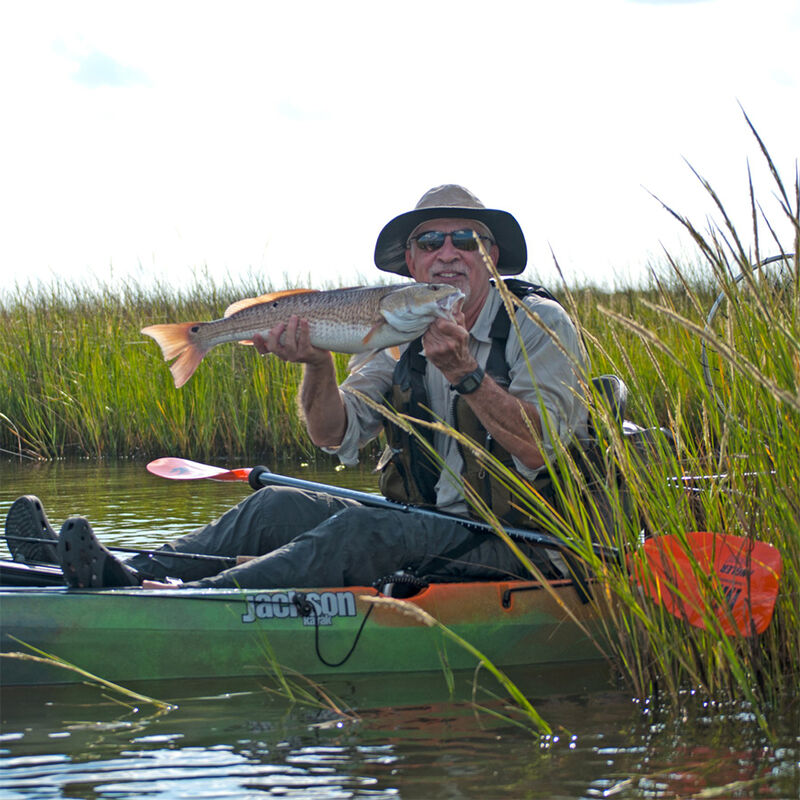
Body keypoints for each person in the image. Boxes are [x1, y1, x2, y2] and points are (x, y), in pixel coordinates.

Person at [5, 185, 589, 590]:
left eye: (465, 239)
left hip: (517, 541)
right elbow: (336, 436)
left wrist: (466, 374)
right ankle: (72, 567)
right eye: (431, 242)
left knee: (363, 527)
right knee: (275, 505)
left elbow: (540, 448)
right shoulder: (397, 335)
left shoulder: (540, 326)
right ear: (411, 263)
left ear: (490, 256)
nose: (448, 254)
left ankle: (167, 597)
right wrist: (317, 364)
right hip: (424, 526)